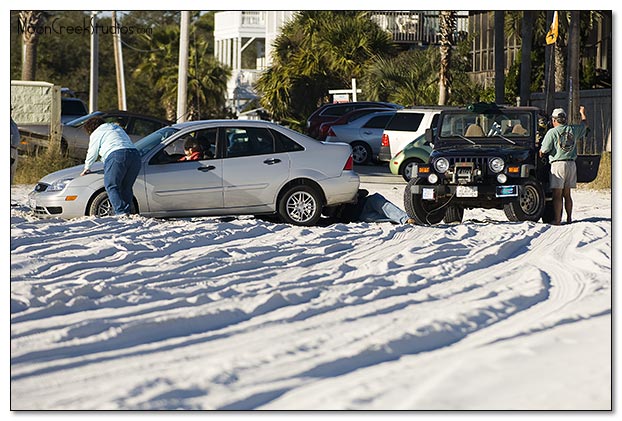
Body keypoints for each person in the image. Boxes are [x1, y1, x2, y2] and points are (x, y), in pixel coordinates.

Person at [80, 117, 141, 217]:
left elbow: (92, 152)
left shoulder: (97, 132)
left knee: (111, 185)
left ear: (91, 129)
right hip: (135, 156)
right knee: (126, 187)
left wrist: (87, 167)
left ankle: (121, 212)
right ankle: (127, 212)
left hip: (117, 155)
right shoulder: (117, 128)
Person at [539, 106, 588, 225]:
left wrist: (540, 153)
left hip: (558, 165)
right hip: (571, 165)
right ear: (565, 119)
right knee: (567, 194)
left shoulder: (552, 132)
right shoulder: (573, 129)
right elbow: (585, 125)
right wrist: (582, 113)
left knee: (557, 195)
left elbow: (544, 150)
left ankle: (557, 220)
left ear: (554, 120)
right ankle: (569, 218)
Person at [338, 189, 415, 224]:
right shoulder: (333, 213)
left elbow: (365, 192)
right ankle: (406, 220)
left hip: (368, 203)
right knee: (387, 219)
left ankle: (406, 218)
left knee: (385, 207)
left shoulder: (338, 193)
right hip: (361, 216)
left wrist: (356, 195)